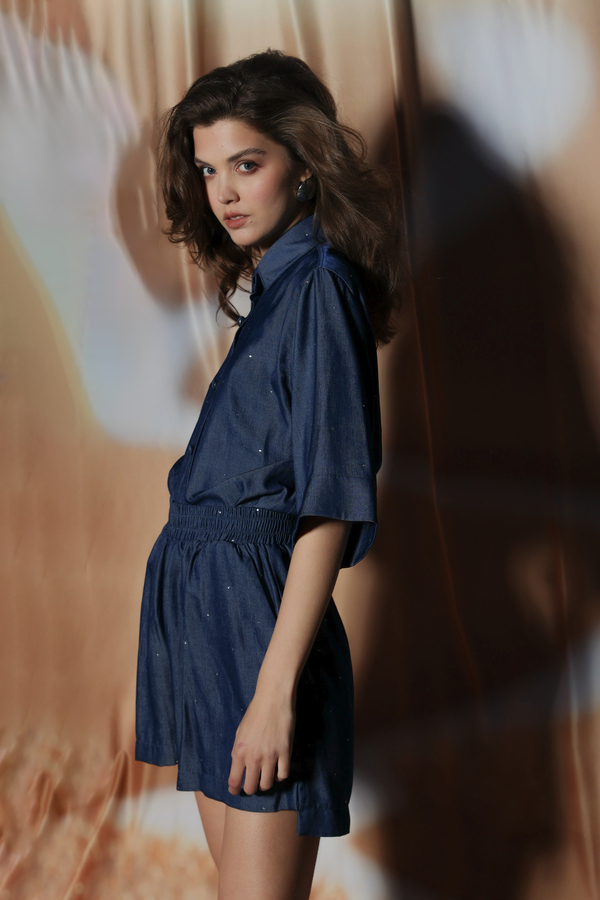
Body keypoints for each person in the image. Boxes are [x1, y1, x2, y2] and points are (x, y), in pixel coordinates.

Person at [135, 49, 402, 900]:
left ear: (305, 166)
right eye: (209, 169)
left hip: (258, 633)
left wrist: (273, 692)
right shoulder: (276, 293)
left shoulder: (319, 290)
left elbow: (331, 505)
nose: (224, 192)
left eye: (247, 165)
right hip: (209, 625)